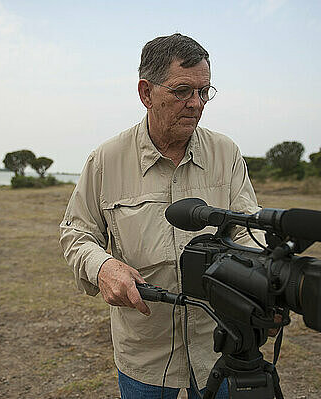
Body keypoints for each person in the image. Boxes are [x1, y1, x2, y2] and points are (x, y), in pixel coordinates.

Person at [59, 33, 263, 399]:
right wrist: (103, 267)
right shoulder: (106, 160)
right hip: (145, 351)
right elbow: (76, 233)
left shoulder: (226, 153)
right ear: (145, 93)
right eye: (182, 90)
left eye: (205, 92)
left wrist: (266, 272)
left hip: (218, 342)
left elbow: (248, 229)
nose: (196, 104)